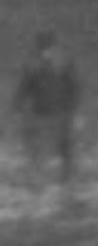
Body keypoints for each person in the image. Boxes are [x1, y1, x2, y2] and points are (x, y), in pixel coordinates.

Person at [15, 29, 81, 186]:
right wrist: (17, 107)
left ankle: (67, 177)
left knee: (66, 146)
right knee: (38, 146)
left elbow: (74, 88)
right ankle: (38, 177)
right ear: (39, 49)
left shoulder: (64, 64)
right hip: (41, 113)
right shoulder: (32, 66)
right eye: (45, 49)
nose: (48, 53)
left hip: (62, 111)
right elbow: (24, 88)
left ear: (55, 47)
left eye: (50, 48)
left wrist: (76, 111)